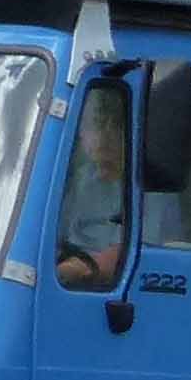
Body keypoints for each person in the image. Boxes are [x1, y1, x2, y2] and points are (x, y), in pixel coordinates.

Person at [56, 84, 131, 291]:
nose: (105, 135)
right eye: (98, 123)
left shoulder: (148, 189)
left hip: (108, 288)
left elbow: (132, 253)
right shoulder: (75, 179)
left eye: (116, 125)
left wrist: (74, 269)